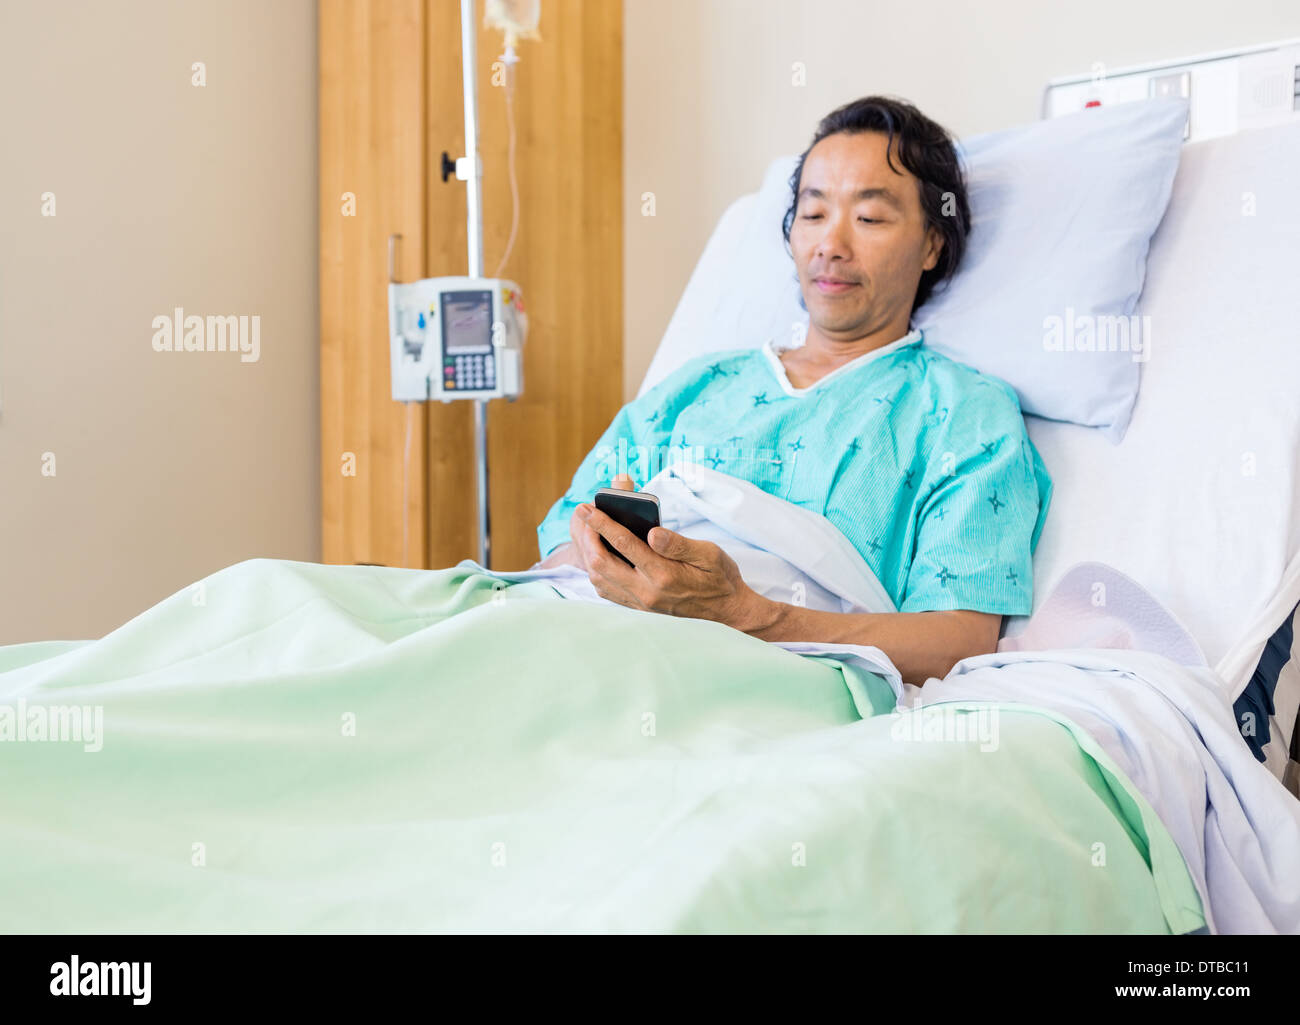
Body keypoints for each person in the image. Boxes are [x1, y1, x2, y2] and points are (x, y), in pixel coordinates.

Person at [533, 96, 1052, 687]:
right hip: (584, 630)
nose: (831, 245)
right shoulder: (698, 385)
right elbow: (562, 541)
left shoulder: (963, 414)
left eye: (871, 217)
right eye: (813, 214)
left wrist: (744, 615)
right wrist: (606, 551)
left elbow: (959, 639)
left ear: (933, 245)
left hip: (745, 680)